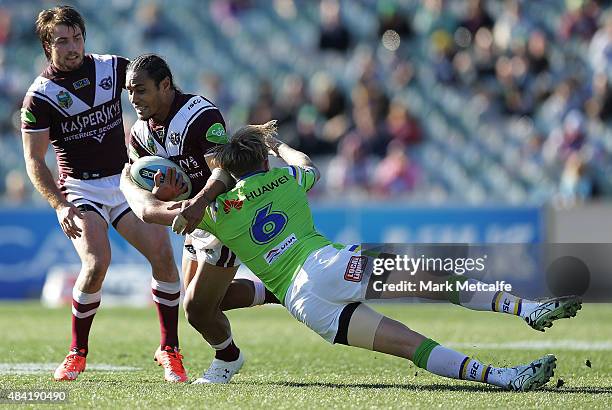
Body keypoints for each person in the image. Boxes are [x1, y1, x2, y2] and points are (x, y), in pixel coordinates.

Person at [120, 121, 582, 391]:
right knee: (439, 279)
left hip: (304, 303)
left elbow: (154, 212)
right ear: (263, 163)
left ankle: (503, 377)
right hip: (328, 265)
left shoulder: (217, 212)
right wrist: (276, 144)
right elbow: (306, 163)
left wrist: (127, 179)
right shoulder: (286, 181)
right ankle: (527, 308)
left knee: (407, 344)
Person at [21, 6, 186, 382]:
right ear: (48, 45)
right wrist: (59, 205)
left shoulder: (115, 69)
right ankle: (77, 352)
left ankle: (169, 349)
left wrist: (159, 159)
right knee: (97, 263)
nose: (72, 47)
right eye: (62, 41)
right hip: (81, 188)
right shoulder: (39, 96)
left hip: (125, 181)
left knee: (163, 256)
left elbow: (159, 102)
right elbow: (34, 160)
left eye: (77, 38)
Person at [125, 54, 279, 384]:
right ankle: (275, 291)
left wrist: (197, 203)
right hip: (196, 219)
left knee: (196, 310)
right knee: (208, 300)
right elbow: (146, 183)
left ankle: (228, 358)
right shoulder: (139, 134)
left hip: (225, 213)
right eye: (129, 91)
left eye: (141, 90)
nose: (134, 99)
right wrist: (162, 197)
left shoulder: (199, 114)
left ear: (165, 85)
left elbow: (223, 171)